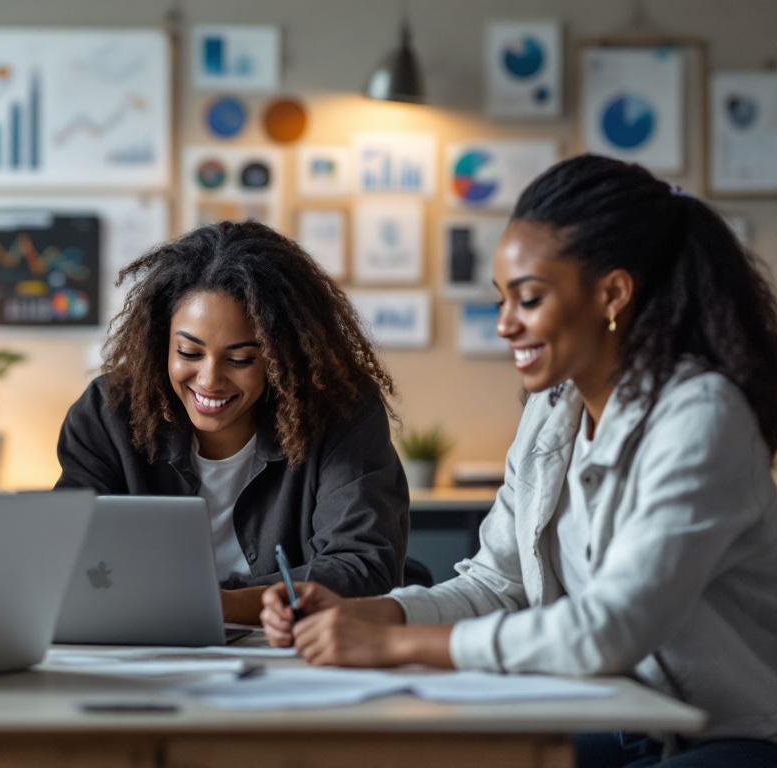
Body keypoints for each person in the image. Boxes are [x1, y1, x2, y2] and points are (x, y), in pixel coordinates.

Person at [262, 155, 777, 767]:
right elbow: (496, 582)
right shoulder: (552, 407)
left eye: (528, 299)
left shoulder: (702, 416)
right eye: (502, 299)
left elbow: (608, 629)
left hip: (726, 734)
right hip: (616, 715)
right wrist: (365, 612)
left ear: (612, 293)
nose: (505, 324)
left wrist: (394, 645)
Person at [57, 220, 409, 624]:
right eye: (188, 353)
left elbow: (364, 566)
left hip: (292, 654)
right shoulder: (109, 413)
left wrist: (218, 604)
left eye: (241, 359)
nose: (209, 380)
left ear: (282, 357)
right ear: (161, 343)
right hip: (143, 646)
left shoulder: (340, 411)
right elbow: (65, 557)